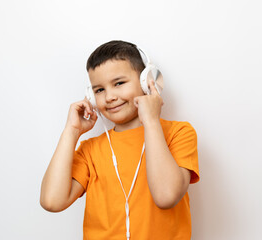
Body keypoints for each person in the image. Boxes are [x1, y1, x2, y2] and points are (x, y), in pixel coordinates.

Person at [40, 40, 200, 240]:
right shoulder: (90, 150)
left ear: (147, 81)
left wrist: (150, 121)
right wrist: (71, 131)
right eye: (99, 90)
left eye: (119, 83)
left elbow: (166, 196)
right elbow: (51, 201)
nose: (109, 97)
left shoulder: (179, 133)